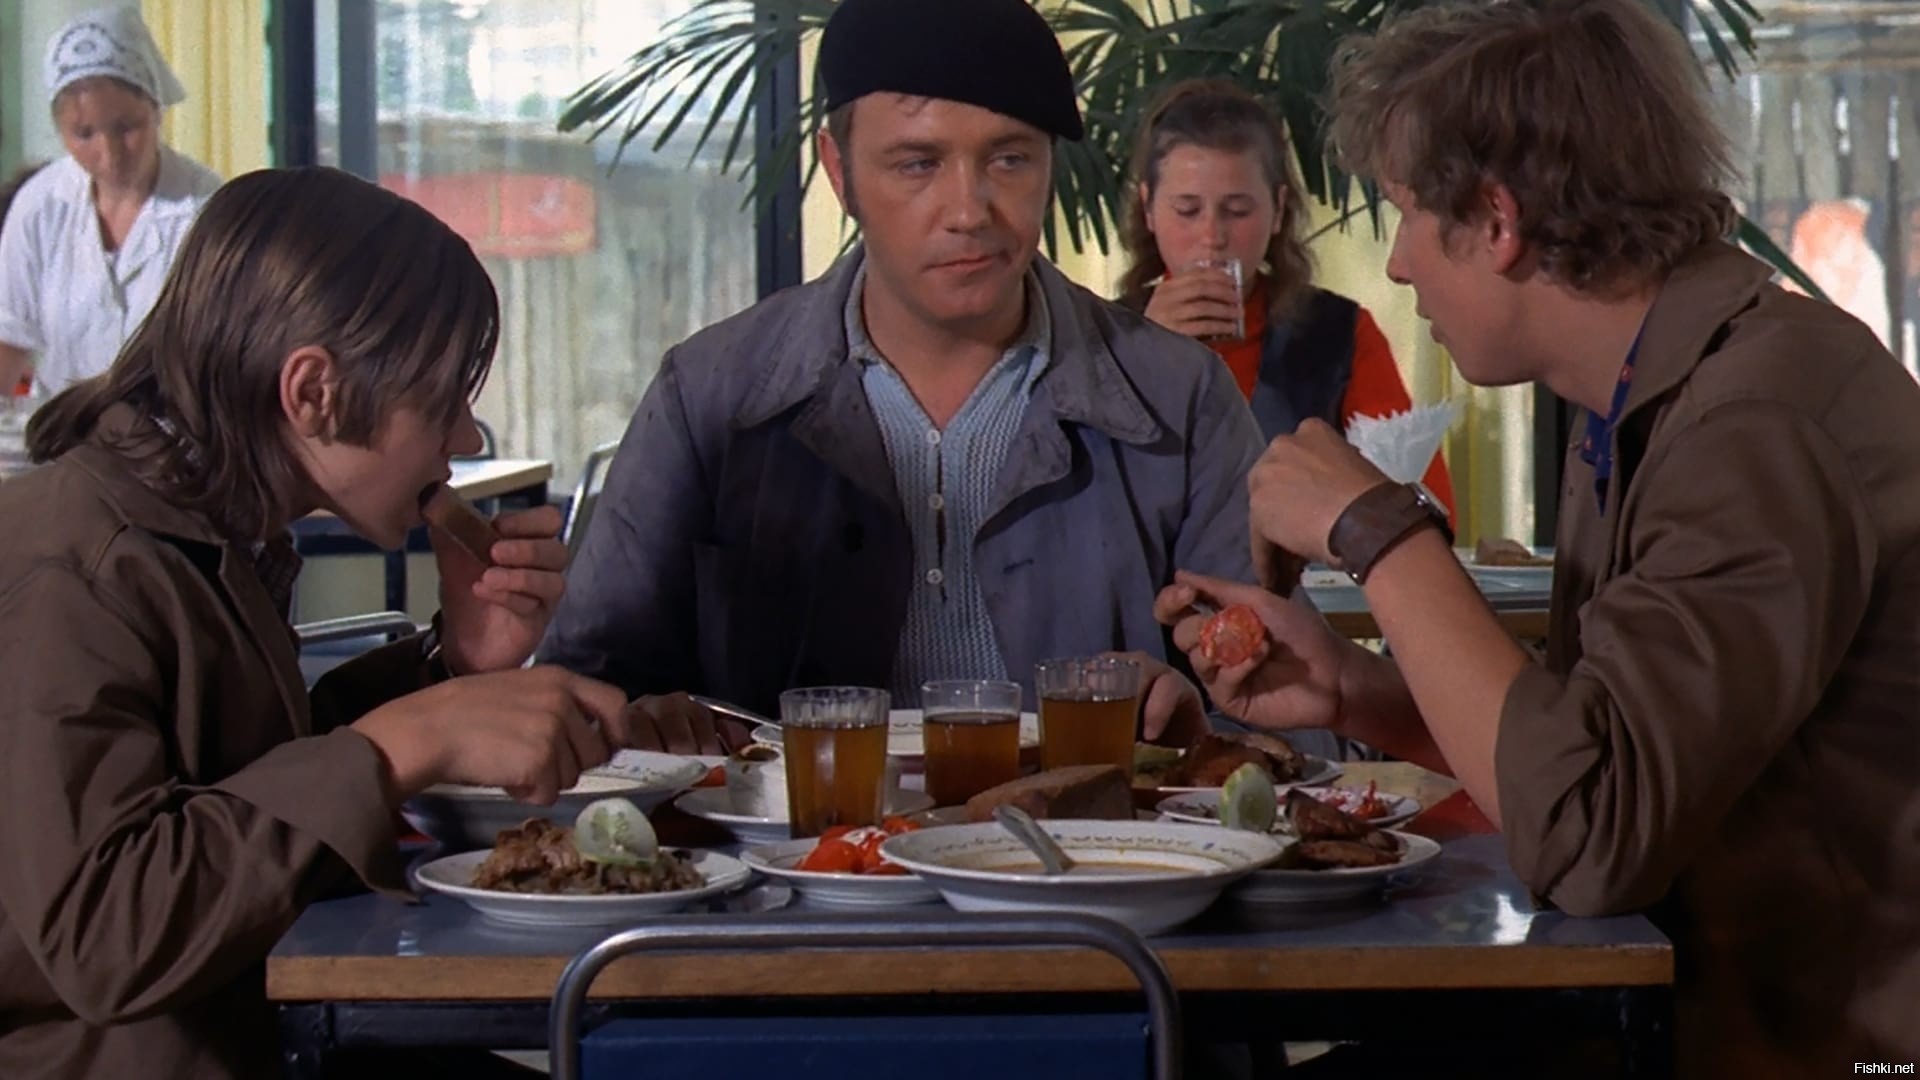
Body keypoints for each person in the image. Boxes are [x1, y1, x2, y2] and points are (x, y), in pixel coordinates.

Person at [1156, 1, 1920, 1074]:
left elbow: (1593, 839)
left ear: (1497, 219)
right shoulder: (1653, 393)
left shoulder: (1752, 424)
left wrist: (1378, 529)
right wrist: (1355, 691)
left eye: (1408, 213)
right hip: (1667, 1002)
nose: (1401, 264)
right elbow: (1588, 754)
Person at [0, 167, 643, 1080]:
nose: (466, 439)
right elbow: (104, 934)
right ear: (313, 393)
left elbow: (232, 783)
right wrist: (399, 744)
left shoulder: (213, 530)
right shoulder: (75, 571)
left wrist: (450, 667)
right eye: (442, 401)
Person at [540, 0, 1260, 752]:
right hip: (794, 827)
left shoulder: (1180, 400)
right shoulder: (711, 395)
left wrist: (1197, 735)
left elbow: (1286, 726)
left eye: (1010, 159)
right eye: (918, 164)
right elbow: (582, 703)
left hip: (1094, 826)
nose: (968, 211)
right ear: (839, 170)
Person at [1119, 78, 1453, 519]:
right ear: (1148, 208)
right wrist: (1143, 362)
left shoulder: (1337, 334)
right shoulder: (1103, 338)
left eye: (1238, 211)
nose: (1212, 236)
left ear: (1278, 210)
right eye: (1187, 210)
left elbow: (1424, 503)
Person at [0, 6, 222, 405]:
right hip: (64, 430)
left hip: (174, 432)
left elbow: (226, 347)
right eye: (84, 134)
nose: (110, 153)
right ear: (61, 131)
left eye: (126, 127)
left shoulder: (204, 207)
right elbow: (9, 335)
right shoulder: (40, 207)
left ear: (155, 109)